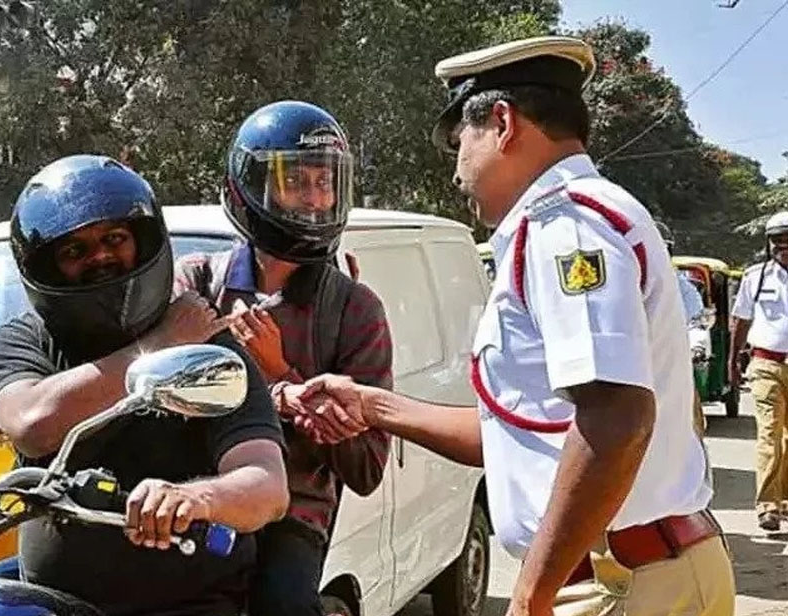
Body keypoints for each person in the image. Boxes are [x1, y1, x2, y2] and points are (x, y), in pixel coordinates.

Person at [299, 36, 734, 615]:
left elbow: (614, 417)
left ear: (502, 123)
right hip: (630, 572)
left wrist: (531, 594)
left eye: (460, 141)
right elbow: (525, 437)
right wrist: (371, 405)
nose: (457, 169)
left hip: (617, 583)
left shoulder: (566, 228)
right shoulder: (570, 222)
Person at [0, 155, 289, 616]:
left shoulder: (209, 348)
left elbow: (266, 483)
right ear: (46, 266)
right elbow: (32, 424)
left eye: (115, 239)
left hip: (189, 608)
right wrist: (160, 344)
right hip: (52, 604)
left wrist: (193, 498)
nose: (100, 257)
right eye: (74, 250)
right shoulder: (26, 341)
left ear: (143, 242)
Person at [173, 100, 393, 616]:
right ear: (250, 186)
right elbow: (164, 390)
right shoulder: (197, 283)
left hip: (292, 513)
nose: (315, 199)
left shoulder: (354, 309)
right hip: (194, 493)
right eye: (295, 181)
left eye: (325, 182)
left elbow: (365, 468)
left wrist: (281, 377)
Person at [729, 210, 788, 532]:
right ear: (768, 243)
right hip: (766, 364)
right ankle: (767, 506)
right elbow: (741, 320)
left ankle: (784, 499)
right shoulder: (756, 277)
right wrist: (732, 361)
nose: (783, 246)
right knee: (769, 433)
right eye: (777, 240)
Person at [656, 220, 710, 437]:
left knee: (692, 428)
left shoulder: (682, 287)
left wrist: (696, 347)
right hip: (629, 371)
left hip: (673, 368)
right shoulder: (620, 281)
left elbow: (695, 323)